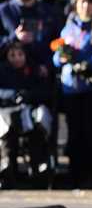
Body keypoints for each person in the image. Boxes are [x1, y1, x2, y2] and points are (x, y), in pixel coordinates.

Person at [54, 0, 92, 188]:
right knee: (75, 133)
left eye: (91, 2)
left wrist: (86, 62)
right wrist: (62, 57)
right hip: (71, 88)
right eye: (83, 2)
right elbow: (57, 55)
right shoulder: (68, 28)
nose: (86, 6)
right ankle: (75, 173)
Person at [0, 41, 54, 187]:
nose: (17, 58)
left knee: (37, 128)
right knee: (6, 131)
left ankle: (37, 171)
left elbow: (45, 92)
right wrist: (12, 95)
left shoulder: (35, 70)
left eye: (20, 54)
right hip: (7, 111)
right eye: (12, 55)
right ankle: (7, 171)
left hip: (30, 110)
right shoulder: (3, 71)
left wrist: (28, 95)